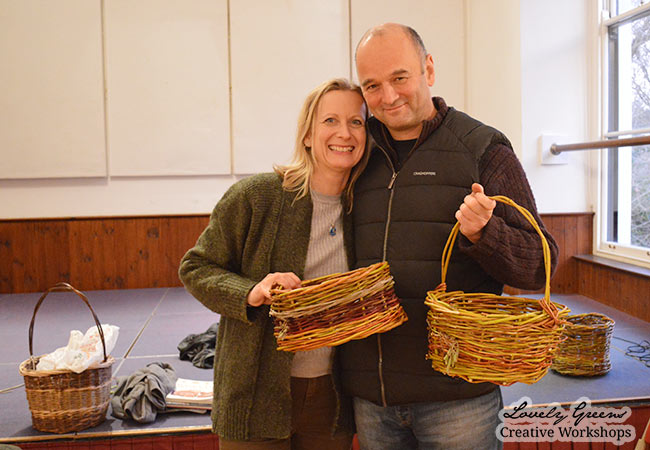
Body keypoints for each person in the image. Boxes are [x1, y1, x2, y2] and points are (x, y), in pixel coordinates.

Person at [338, 23, 560, 450]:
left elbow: (541, 262)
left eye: (399, 78)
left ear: (429, 69)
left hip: (459, 399)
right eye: (372, 85)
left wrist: (486, 233)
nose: (388, 97)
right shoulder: (355, 154)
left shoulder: (482, 148)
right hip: (373, 397)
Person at [178, 78, 369, 450]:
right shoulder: (256, 196)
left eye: (356, 122)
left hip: (333, 400)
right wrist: (251, 290)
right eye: (330, 120)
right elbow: (196, 267)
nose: (344, 133)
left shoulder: (367, 208)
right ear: (308, 135)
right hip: (255, 396)